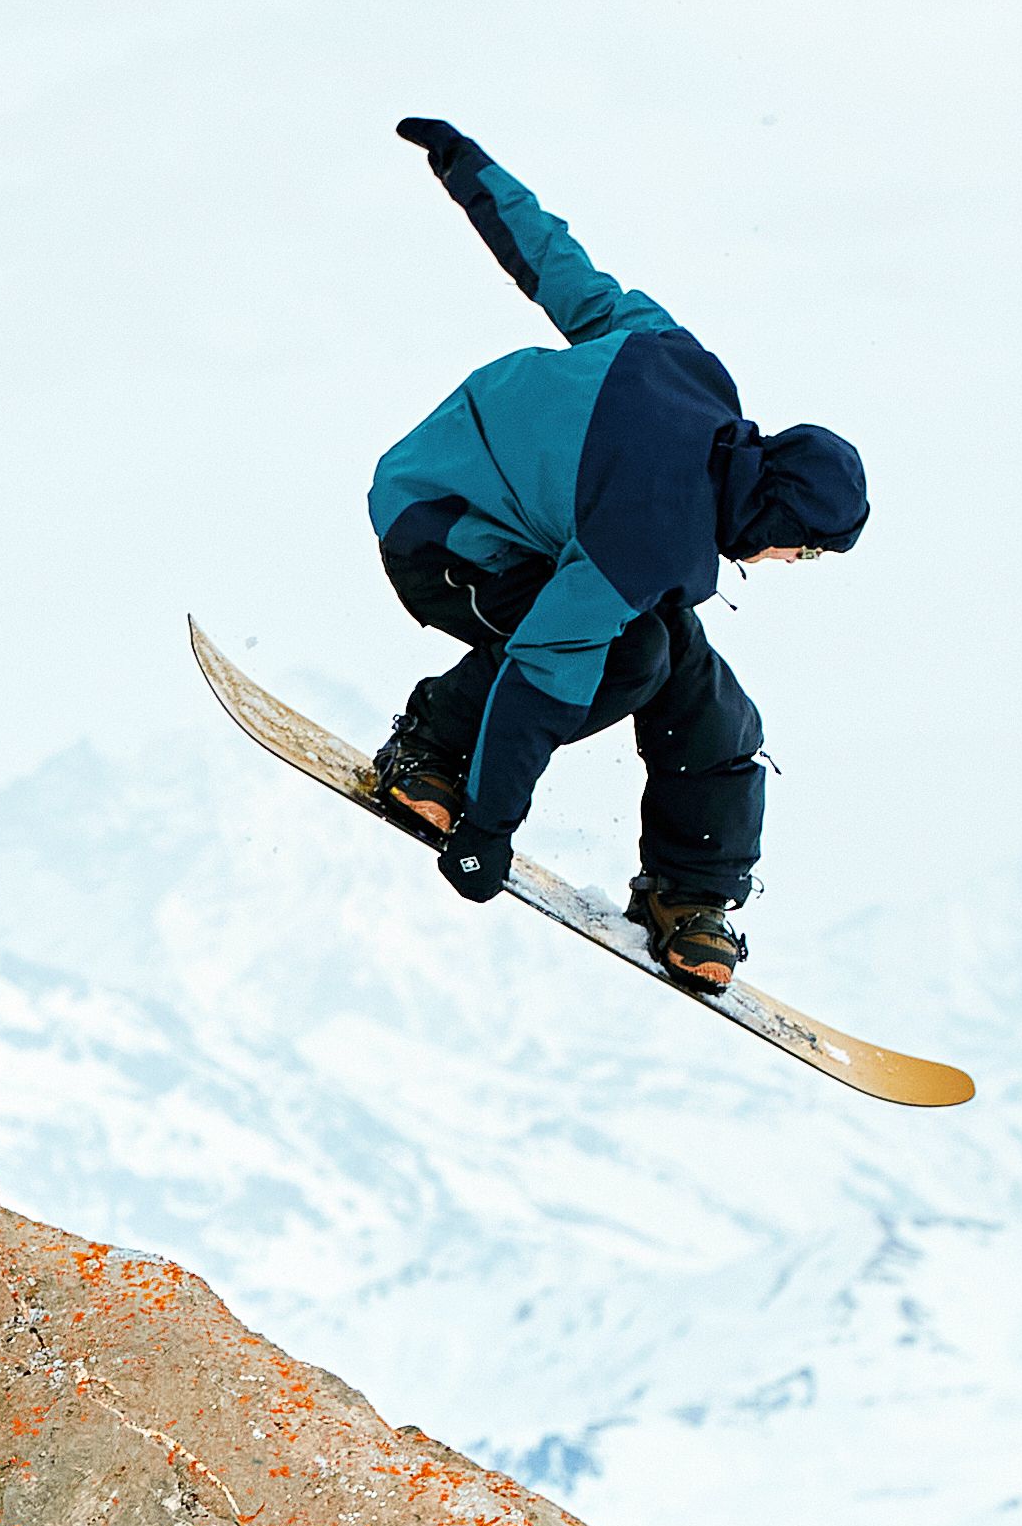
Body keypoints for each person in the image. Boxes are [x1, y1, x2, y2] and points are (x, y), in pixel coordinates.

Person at [362, 117, 869, 989]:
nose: (790, 566)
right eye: (806, 554)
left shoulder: (685, 370)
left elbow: (565, 273)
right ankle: (428, 751)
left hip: (534, 527)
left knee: (701, 688)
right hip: (438, 530)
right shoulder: (645, 537)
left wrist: (470, 169)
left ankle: (690, 893)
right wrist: (486, 834)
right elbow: (541, 677)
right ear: (782, 522)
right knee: (629, 655)